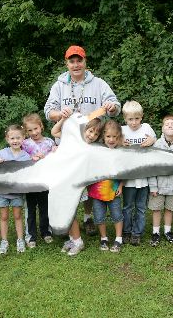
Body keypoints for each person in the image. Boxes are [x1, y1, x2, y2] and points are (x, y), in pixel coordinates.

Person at [44, 45, 121, 235]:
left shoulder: (99, 84)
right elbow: (48, 111)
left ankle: (88, 218)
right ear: (67, 63)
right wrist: (58, 114)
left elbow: (116, 106)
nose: (76, 65)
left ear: (85, 62)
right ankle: (68, 222)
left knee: (88, 181)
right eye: (72, 61)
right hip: (67, 145)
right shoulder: (59, 85)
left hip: (91, 143)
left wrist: (111, 107)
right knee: (68, 184)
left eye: (79, 60)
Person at [52, 115, 104, 256]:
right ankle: (72, 239)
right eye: (90, 131)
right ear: (84, 129)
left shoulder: (91, 148)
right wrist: (63, 119)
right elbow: (54, 132)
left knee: (70, 213)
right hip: (63, 181)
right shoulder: (73, 138)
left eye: (96, 133)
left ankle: (78, 241)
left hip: (75, 185)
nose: (92, 135)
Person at [148, 115, 173, 246]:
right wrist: (153, 187)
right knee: (156, 209)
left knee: (169, 210)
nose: (170, 125)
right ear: (162, 129)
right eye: (167, 124)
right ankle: (155, 233)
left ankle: (168, 231)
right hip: (158, 186)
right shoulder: (157, 145)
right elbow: (152, 167)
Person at [121, 101, 156, 246]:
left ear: (141, 117)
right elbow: (112, 144)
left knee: (141, 208)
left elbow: (155, 141)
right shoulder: (122, 130)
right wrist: (120, 142)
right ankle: (126, 231)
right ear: (125, 119)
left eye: (136, 118)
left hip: (144, 177)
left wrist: (152, 140)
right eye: (130, 119)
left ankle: (137, 233)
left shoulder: (147, 128)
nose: (134, 122)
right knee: (128, 207)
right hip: (128, 178)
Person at [88, 120, 125, 253]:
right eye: (108, 136)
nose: (111, 139)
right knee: (99, 216)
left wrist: (121, 185)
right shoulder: (96, 150)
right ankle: (104, 238)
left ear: (118, 137)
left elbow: (125, 171)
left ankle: (118, 238)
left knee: (117, 215)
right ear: (103, 136)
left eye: (114, 137)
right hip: (97, 192)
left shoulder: (121, 152)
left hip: (113, 190)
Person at [0, 125, 31, 255]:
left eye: (18, 137)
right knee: (3, 216)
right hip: (2, 192)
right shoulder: (1, 154)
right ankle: (4, 241)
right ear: (7, 139)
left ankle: (20, 239)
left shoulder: (26, 156)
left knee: (17, 215)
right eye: (12, 138)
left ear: (23, 138)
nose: (15, 141)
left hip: (17, 192)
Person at [22, 113, 55, 248]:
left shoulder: (49, 142)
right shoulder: (24, 144)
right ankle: (31, 237)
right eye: (30, 130)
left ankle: (46, 232)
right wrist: (32, 158)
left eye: (36, 128)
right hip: (30, 183)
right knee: (30, 210)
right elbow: (19, 158)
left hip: (45, 182)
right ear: (26, 131)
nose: (34, 132)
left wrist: (54, 151)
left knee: (45, 208)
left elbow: (55, 159)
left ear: (41, 126)